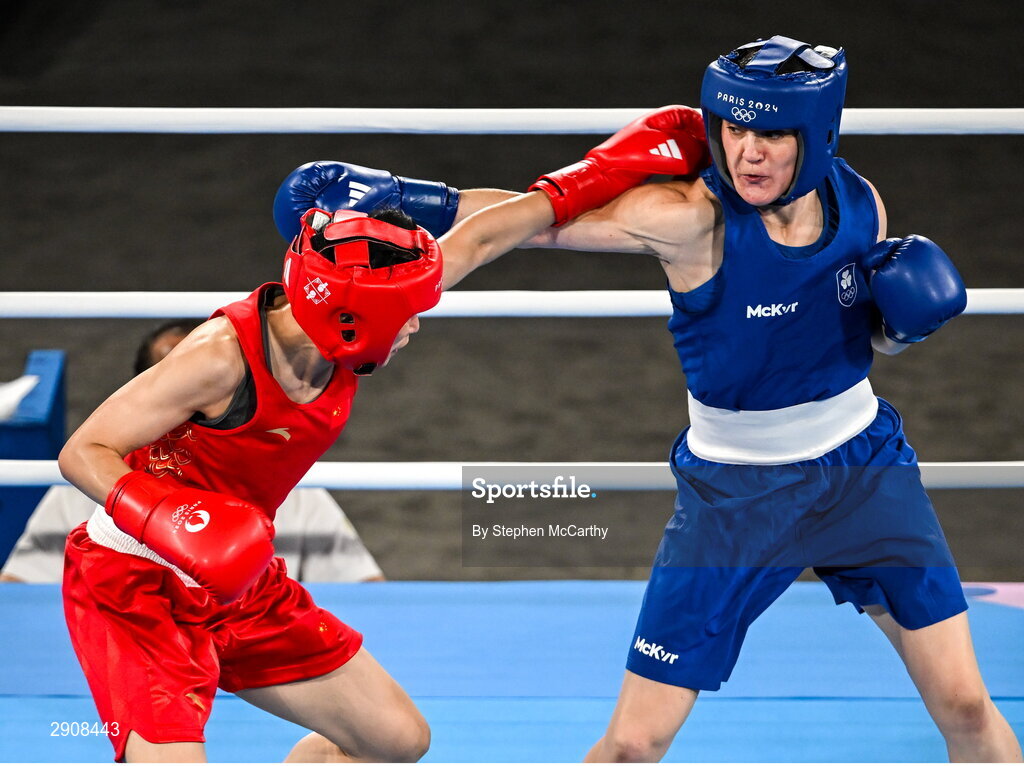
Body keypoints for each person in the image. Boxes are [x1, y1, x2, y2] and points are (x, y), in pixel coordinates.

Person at [275, 36, 1022, 763]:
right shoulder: (690, 219)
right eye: (734, 130)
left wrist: (903, 329)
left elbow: (866, 341)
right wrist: (412, 202)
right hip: (736, 497)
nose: (748, 153)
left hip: (865, 473)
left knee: (962, 705)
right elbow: (540, 223)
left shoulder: (860, 206)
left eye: (772, 134)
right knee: (635, 745)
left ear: (818, 137)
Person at [58, 107, 705, 763]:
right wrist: (174, 519)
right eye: (406, 318)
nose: (416, 327)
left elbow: (483, 239)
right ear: (350, 320)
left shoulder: (364, 291)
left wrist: (610, 169)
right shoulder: (220, 358)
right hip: (135, 585)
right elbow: (83, 449)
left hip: (239, 583)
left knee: (394, 740)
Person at [2, 320, 384, 584]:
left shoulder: (291, 487)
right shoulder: (89, 482)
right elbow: (17, 585)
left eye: (207, 387)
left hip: (242, 647)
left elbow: (367, 586)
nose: (192, 402)